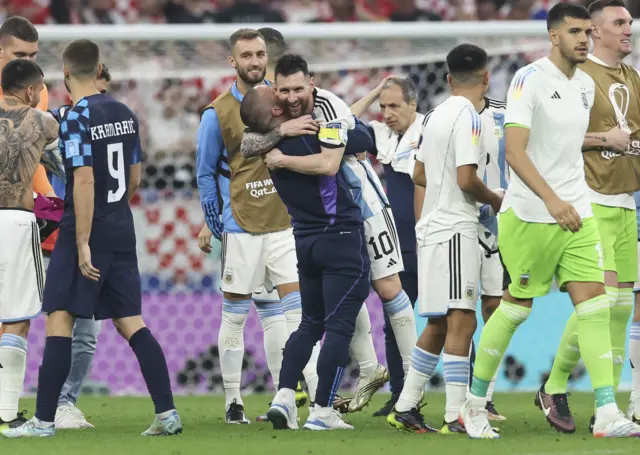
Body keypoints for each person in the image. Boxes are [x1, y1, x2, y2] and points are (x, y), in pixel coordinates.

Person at [460, 3, 640, 439]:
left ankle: (607, 412)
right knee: (515, 310)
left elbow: (569, 143)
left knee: (597, 305)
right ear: (554, 36)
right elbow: (516, 152)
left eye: (585, 32)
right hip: (529, 215)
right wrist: (552, 200)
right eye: (575, 31)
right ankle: (474, 402)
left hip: (577, 211)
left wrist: (569, 199)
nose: (583, 38)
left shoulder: (583, 86)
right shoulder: (529, 79)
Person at [2, 39, 182, 438]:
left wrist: (82, 239)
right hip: (121, 225)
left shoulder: (76, 118)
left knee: (60, 317)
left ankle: (45, 420)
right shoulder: (124, 112)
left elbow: (82, 178)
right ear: (100, 69)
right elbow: (134, 175)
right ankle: (167, 412)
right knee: (131, 322)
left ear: (65, 74)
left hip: (84, 228)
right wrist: (115, 209)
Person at [241, 54, 402, 414]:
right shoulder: (313, 131)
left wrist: (370, 97)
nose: (285, 97)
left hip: (304, 239)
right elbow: (334, 158)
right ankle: (323, 411)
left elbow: (342, 119)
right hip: (340, 236)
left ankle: (283, 396)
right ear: (275, 105)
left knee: (310, 324)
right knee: (340, 327)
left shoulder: (267, 144)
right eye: (279, 94)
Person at [195, 29, 320, 424]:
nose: (255, 60)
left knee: (297, 317)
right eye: (246, 55)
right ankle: (234, 402)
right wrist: (216, 222)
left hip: (285, 223)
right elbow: (205, 173)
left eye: (260, 53)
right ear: (233, 61)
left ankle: (315, 400)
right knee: (235, 316)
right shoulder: (216, 113)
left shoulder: (284, 99)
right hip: (241, 225)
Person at [386, 44, 501, 434]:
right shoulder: (469, 116)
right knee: (463, 320)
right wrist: (496, 199)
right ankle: (457, 415)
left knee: (437, 323)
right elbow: (468, 179)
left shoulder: (433, 114)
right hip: (456, 229)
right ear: (486, 78)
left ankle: (404, 406)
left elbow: (418, 175)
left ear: (450, 79)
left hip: (431, 229)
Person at [537, 0, 640, 433]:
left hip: (626, 202)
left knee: (620, 310)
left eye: (630, 23)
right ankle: (555, 385)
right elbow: (552, 136)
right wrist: (605, 137)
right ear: (594, 31)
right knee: (603, 303)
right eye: (619, 23)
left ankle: (608, 409)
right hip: (591, 199)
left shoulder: (633, 78)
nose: (628, 30)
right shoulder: (578, 79)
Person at [350, 75, 424, 416]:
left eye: (395, 105)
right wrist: (373, 94)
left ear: (413, 104)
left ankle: (469, 397)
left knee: (452, 320)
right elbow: (342, 126)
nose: (387, 112)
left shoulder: (433, 130)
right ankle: (399, 396)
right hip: (399, 244)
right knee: (395, 324)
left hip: (434, 240)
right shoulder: (381, 135)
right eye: (383, 106)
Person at [48, 62, 112, 430]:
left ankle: (64, 403)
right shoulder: (52, 122)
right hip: (47, 237)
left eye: (103, 95)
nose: (97, 101)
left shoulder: (112, 130)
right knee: (20, 323)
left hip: (91, 237)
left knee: (87, 330)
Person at [0, 59, 58, 432]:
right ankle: (6, 411)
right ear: (32, 90)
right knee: (17, 318)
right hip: (17, 222)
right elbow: (65, 151)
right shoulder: (41, 120)